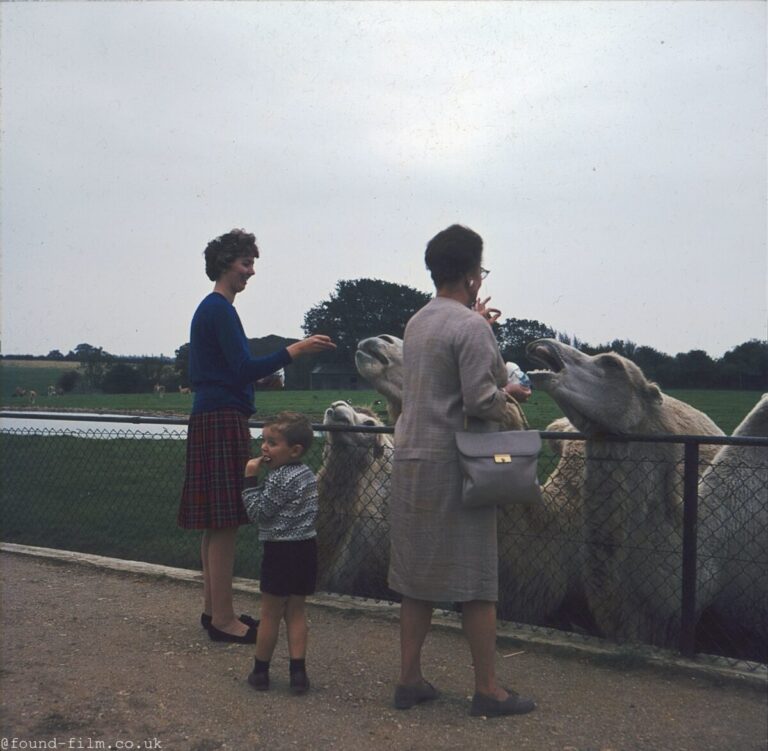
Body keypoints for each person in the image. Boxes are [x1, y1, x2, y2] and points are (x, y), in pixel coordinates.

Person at [388, 224, 536, 718]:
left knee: (416, 577)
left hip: (411, 457)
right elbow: (480, 398)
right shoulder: (473, 327)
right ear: (473, 274)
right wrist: (509, 392)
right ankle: (488, 689)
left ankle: (409, 680)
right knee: (476, 580)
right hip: (455, 465)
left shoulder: (417, 322)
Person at [177, 229, 335, 644]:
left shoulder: (213, 310)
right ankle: (225, 621)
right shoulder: (219, 310)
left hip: (210, 415)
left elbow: (231, 368)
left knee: (215, 522)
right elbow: (243, 367)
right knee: (226, 520)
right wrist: (295, 350)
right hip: (220, 418)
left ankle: (214, 612)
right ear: (226, 263)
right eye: (246, 264)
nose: (250, 273)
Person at [241, 412, 319, 694]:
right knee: (297, 612)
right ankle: (298, 674)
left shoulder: (278, 478)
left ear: (294, 450)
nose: (264, 447)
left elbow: (259, 513)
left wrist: (250, 480)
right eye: (264, 440)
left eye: (272, 443)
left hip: (279, 552)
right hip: (306, 549)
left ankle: (260, 672)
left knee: (271, 614)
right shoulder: (308, 475)